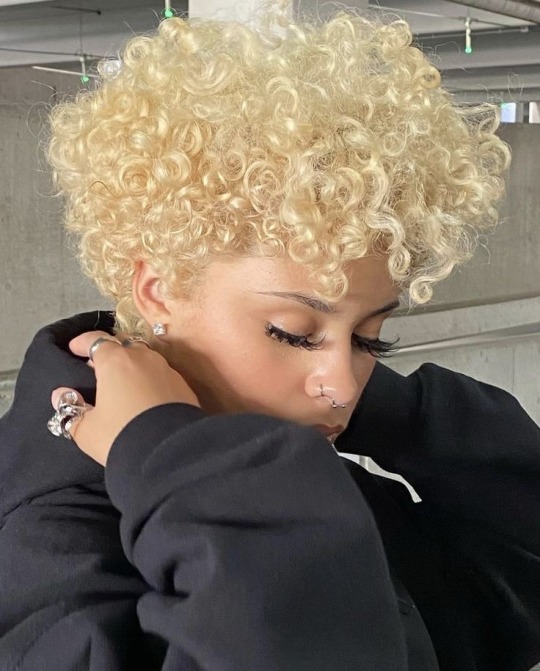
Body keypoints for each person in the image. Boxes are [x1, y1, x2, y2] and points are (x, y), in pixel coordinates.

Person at [0, 4, 539, 670]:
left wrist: (399, 414)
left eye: (370, 339)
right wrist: (172, 452)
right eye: (293, 333)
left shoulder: (290, 466)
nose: (343, 386)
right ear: (158, 290)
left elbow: (514, 579)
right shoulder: (49, 551)